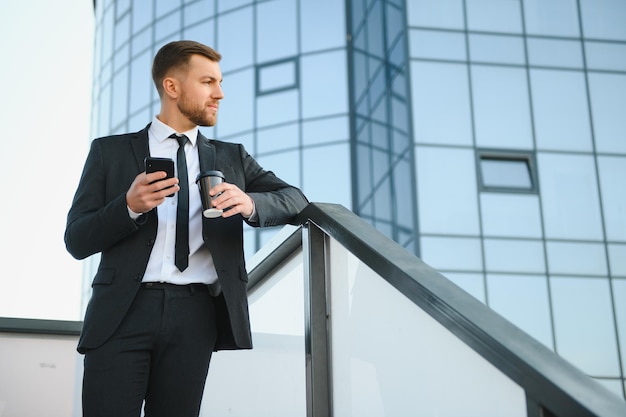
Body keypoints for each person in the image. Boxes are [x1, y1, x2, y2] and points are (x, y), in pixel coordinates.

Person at [65, 40, 309, 417]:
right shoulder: (109, 152)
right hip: (121, 313)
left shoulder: (232, 157)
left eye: (220, 82)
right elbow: (76, 239)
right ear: (172, 86)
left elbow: (295, 199)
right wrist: (127, 207)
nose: (220, 93)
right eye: (208, 82)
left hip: (196, 316)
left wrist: (250, 203)